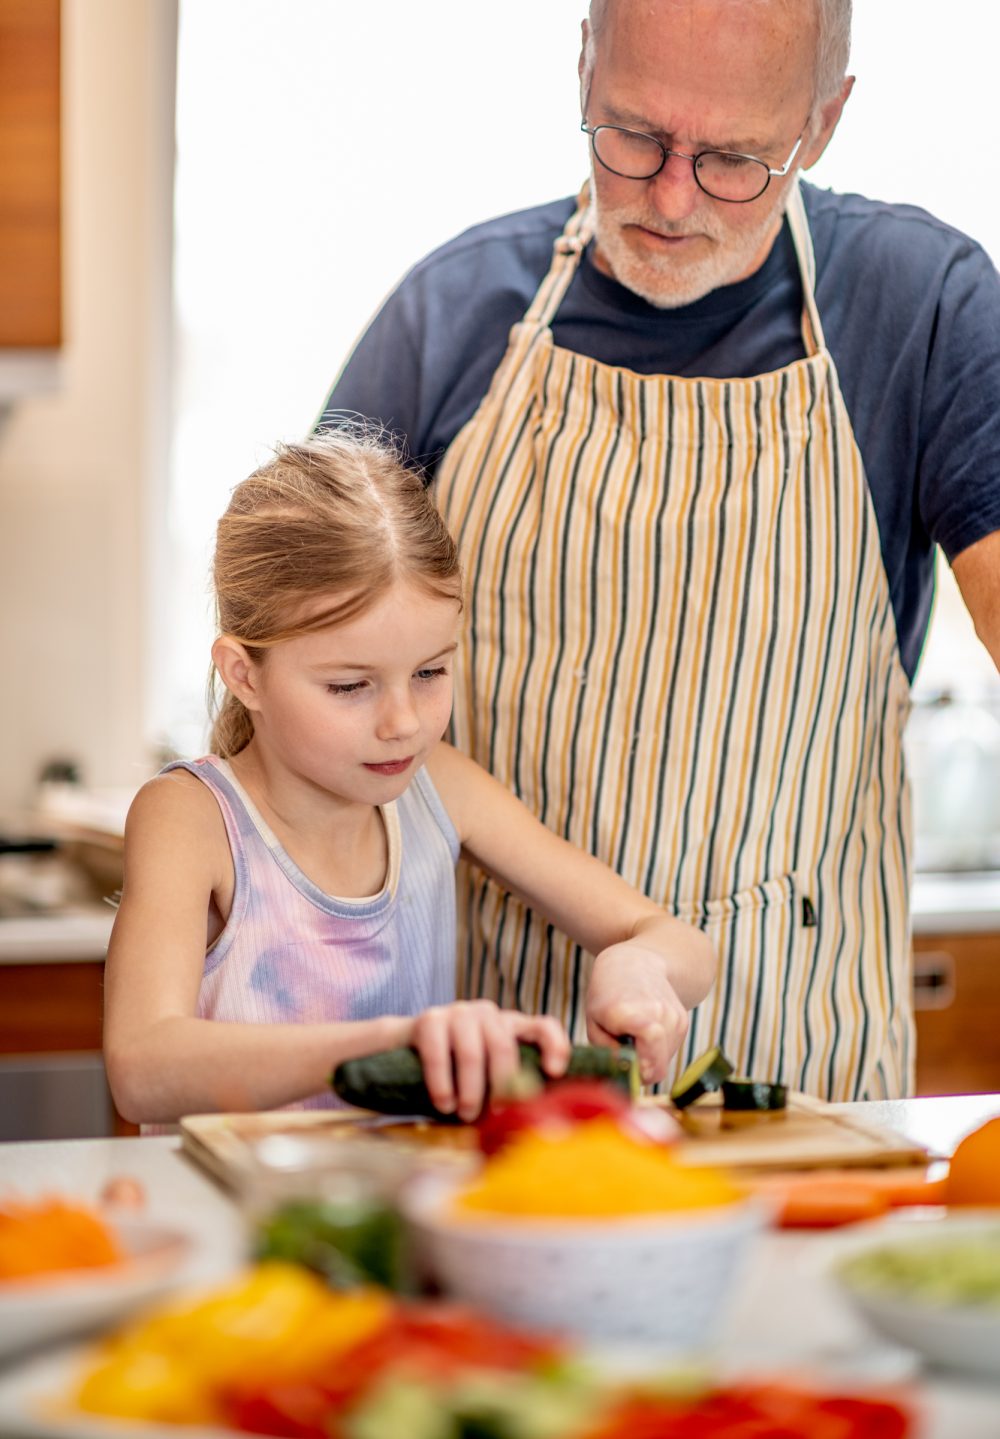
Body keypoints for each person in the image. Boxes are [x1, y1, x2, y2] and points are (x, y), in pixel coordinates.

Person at [316, 0, 1000, 1103]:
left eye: (733, 158)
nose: (672, 197)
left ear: (823, 123)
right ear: (584, 63)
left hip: (798, 1095)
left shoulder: (917, 308)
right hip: (487, 1098)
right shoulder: (450, 315)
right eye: (633, 138)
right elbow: (296, 684)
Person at [103, 431, 714, 1126]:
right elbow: (142, 1066)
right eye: (350, 685)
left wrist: (643, 967)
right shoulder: (190, 818)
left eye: (430, 672)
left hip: (411, 1217)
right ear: (245, 674)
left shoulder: (439, 790)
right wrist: (388, 1044)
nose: (403, 722)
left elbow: (677, 940)